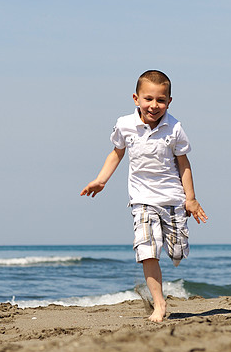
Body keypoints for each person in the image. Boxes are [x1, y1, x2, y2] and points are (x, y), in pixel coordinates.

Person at [80, 70, 208, 322]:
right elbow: (116, 153)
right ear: (136, 99)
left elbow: (184, 164)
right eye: (148, 99)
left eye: (160, 100)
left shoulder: (175, 128)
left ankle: (174, 252)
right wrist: (101, 179)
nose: (154, 105)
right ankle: (159, 305)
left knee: (177, 253)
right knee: (147, 250)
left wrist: (190, 199)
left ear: (169, 101)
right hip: (141, 199)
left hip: (172, 199)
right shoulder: (125, 125)